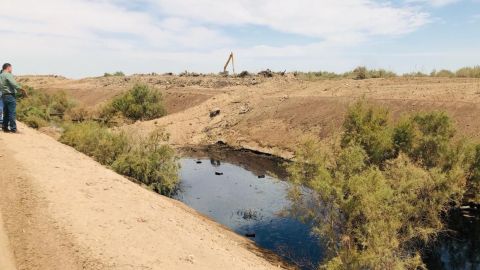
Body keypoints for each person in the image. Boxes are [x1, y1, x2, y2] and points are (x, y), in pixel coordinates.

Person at [0, 63, 26, 133]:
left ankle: (5, 128)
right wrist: (21, 89)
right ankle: (13, 129)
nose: (12, 69)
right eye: (11, 68)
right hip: (10, 95)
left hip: (4, 95)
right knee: (12, 112)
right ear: (8, 67)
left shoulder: (1, 75)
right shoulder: (8, 74)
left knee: (6, 112)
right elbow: (13, 83)